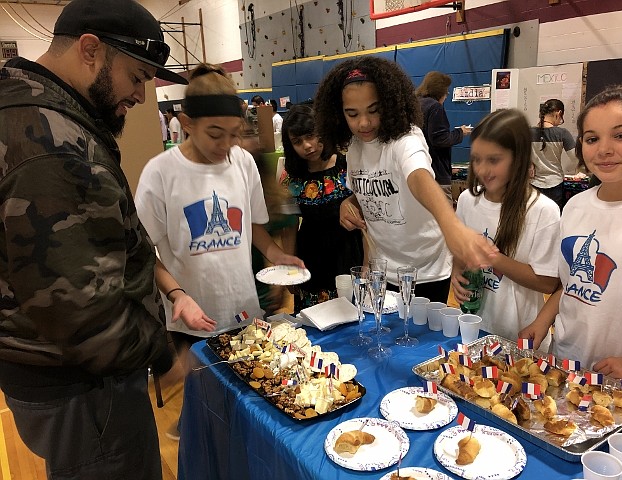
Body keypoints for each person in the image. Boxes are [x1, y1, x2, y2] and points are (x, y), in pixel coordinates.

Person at [0, 0, 190, 477]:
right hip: (83, 387)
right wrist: (164, 355)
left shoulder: (31, 106)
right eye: (138, 76)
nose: (142, 97)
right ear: (90, 49)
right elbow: (80, 313)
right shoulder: (50, 142)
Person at [135, 62, 305, 377]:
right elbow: (145, 251)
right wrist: (177, 295)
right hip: (192, 317)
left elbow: (252, 226)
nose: (226, 145)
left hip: (244, 308)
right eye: (215, 134)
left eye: (234, 134)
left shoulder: (242, 162)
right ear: (186, 123)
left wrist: (277, 255)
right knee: (206, 401)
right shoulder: (160, 173)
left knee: (252, 394)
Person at [314, 56, 497, 302]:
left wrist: (452, 227)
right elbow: (367, 196)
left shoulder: (406, 139)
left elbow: (418, 178)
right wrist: (350, 203)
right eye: (352, 114)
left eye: (373, 110)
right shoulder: (356, 146)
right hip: (382, 273)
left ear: (389, 105)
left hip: (425, 273)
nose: (364, 122)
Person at [520, 85, 622, 379]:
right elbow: (572, 281)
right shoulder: (575, 206)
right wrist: (542, 321)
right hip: (565, 364)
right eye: (592, 138)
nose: (604, 149)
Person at [451, 109, 560, 349]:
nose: (482, 169)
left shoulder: (543, 210)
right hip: (476, 329)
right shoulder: (469, 200)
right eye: (476, 159)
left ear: (518, 159)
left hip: (521, 338)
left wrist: (492, 256)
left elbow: (547, 282)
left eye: (494, 160)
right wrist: (456, 272)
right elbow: (459, 251)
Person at [279, 104, 364, 312]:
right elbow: (288, 228)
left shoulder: (348, 166)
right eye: (298, 142)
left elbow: (367, 219)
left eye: (311, 136)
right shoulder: (290, 177)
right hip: (311, 256)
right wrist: (290, 269)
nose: (308, 146)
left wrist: (368, 264)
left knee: (352, 317)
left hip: (348, 253)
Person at [415, 71, 472, 203]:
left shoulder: (416, 104)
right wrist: (460, 132)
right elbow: (440, 139)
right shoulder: (435, 107)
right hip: (437, 173)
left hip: (420, 170)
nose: (447, 95)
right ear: (440, 91)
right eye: (446, 91)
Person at [530, 98, 579, 210]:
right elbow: (576, 158)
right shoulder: (562, 133)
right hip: (555, 183)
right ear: (559, 113)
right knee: (553, 218)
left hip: (533, 184)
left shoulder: (527, 132)